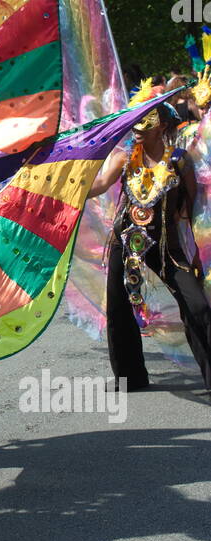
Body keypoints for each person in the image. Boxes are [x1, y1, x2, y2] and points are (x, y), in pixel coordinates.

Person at [90, 91, 211, 391]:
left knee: (196, 305)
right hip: (126, 240)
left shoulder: (179, 161)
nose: (137, 128)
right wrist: (64, 187)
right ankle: (131, 377)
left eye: (145, 121)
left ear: (160, 126)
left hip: (166, 245)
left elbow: (194, 210)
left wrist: (196, 251)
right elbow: (100, 185)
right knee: (118, 308)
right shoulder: (123, 157)